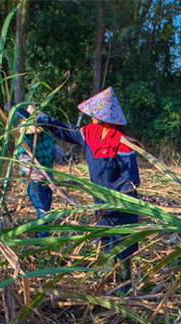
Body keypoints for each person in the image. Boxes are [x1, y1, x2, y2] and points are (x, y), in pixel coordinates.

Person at [34, 87, 140, 285]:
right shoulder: (90, 133)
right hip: (101, 204)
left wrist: (119, 198)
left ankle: (124, 288)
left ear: (102, 117)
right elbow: (66, 131)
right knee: (106, 242)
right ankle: (106, 286)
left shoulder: (122, 141)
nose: (91, 117)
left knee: (123, 247)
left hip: (122, 204)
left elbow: (130, 178)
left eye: (94, 115)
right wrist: (46, 121)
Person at [15, 107, 63, 234]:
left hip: (49, 179)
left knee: (46, 209)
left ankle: (40, 236)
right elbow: (25, 163)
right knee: (43, 212)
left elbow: (55, 152)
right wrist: (40, 175)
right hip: (35, 182)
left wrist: (59, 154)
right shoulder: (25, 141)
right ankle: (42, 239)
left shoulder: (46, 136)